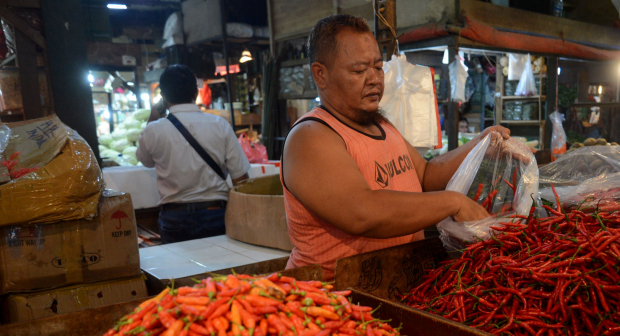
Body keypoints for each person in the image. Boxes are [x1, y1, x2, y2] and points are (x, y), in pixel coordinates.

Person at [281, 14, 511, 278]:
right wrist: (452, 202)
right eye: (359, 70)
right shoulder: (312, 136)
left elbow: (424, 175)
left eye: (378, 67)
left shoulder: (380, 124)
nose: (374, 79)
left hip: (391, 286)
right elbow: (362, 213)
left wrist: (480, 144)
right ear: (320, 74)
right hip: (332, 298)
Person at [137, 65, 251, 244]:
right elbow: (241, 178)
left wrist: (153, 117)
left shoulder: (153, 129)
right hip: (215, 213)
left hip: (174, 217)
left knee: (179, 271)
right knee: (219, 268)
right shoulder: (219, 125)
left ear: (163, 97)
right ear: (195, 93)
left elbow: (145, 161)